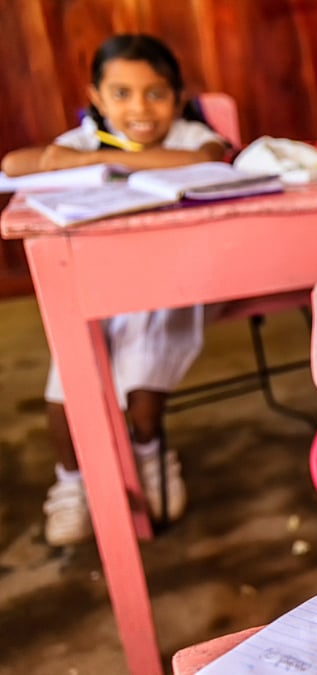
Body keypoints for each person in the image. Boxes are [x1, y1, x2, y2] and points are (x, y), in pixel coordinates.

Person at [1, 34, 228, 545]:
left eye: (155, 93)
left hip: (169, 287)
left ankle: (147, 455)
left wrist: (83, 164)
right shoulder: (88, 137)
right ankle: (72, 483)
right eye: (121, 94)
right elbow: (15, 165)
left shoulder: (190, 135)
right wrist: (74, 157)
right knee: (68, 384)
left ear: (177, 96)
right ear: (97, 99)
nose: (139, 109)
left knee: (141, 390)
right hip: (90, 293)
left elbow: (211, 159)